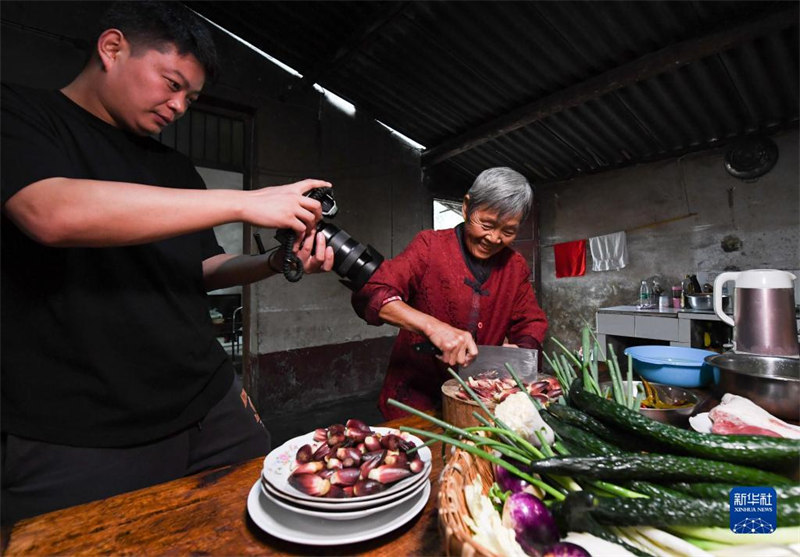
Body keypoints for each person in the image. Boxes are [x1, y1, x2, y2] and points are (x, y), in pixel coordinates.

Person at [0, 1, 335, 523]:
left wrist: (275, 261)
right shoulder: (22, 116)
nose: (179, 106)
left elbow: (204, 266)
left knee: (261, 525)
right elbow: (50, 212)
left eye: (192, 97)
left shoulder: (174, 167)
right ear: (112, 48)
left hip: (208, 404)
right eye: (171, 83)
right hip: (79, 429)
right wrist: (244, 201)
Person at [352, 167, 548, 419]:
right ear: (467, 207)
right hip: (414, 403)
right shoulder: (429, 247)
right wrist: (433, 327)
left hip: (478, 404)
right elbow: (373, 291)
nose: (494, 238)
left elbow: (530, 322)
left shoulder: (515, 266)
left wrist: (519, 355)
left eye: (508, 231)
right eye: (486, 224)